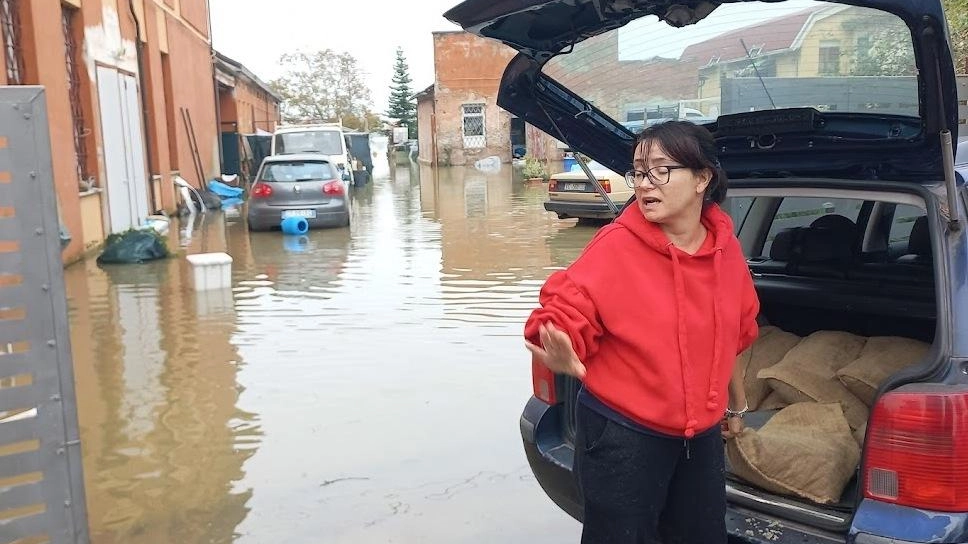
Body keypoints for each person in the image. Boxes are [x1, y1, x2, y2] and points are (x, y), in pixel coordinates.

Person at [524, 121, 760, 543]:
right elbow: (566, 308)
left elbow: (735, 332)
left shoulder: (726, 250)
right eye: (639, 172)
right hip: (623, 436)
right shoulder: (616, 246)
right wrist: (555, 342)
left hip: (700, 437)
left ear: (702, 178)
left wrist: (735, 407)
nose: (645, 184)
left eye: (660, 170)